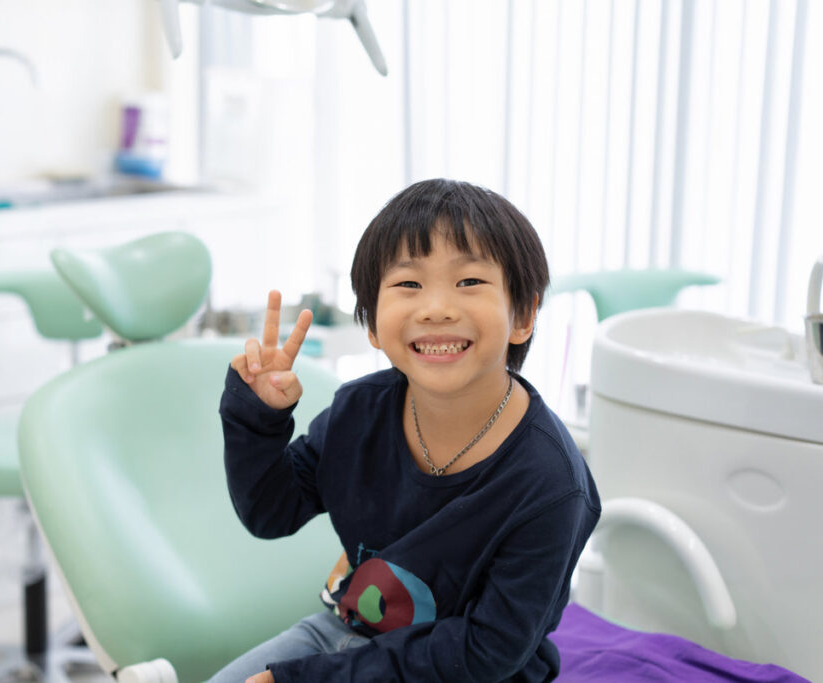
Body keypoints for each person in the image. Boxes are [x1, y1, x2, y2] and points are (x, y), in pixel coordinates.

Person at [214, 178, 600, 682]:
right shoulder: (360, 410)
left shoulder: (551, 483)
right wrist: (258, 417)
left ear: (523, 315)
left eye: (469, 282)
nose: (436, 307)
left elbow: (487, 649)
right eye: (408, 284)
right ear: (372, 324)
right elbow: (271, 512)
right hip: (346, 637)